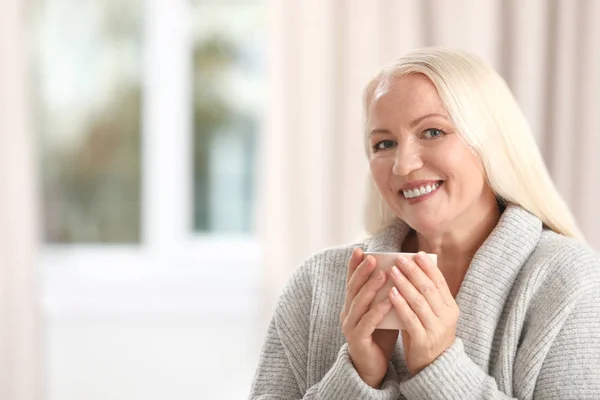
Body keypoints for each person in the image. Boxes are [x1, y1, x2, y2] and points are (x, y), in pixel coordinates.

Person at [248, 48, 600, 399]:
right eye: (384, 143)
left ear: (489, 142)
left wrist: (440, 370)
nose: (403, 165)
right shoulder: (316, 285)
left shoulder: (569, 282)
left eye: (432, 132)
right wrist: (358, 376)